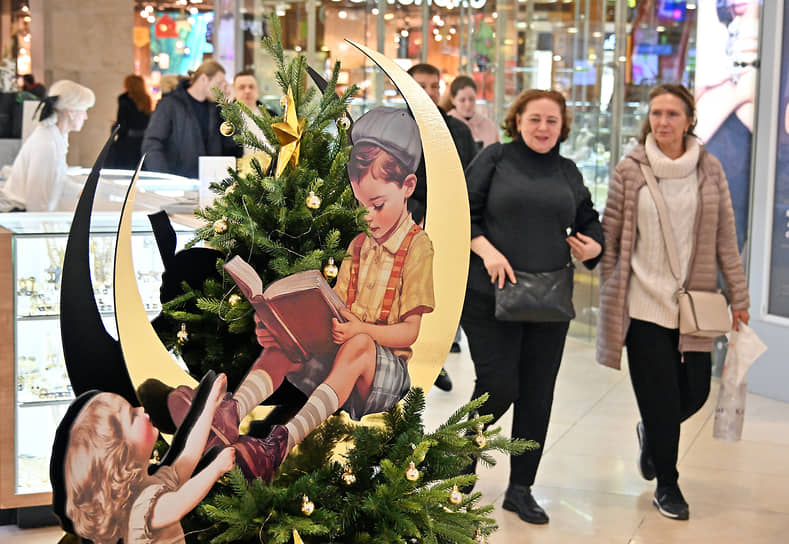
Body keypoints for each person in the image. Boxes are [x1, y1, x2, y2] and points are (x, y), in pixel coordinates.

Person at [166, 107, 435, 483]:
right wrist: (282, 328)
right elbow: (335, 312)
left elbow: (410, 332)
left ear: (407, 186)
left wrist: (364, 330)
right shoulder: (358, 245)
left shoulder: (416, 247)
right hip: (341, 358)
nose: (369, 217)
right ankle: (228, 414)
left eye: (377, 205)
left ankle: (279, 444)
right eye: (362, 206)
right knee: (285, 344)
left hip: (383, 373)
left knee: (358, 343)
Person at [596, 83, 750, 521]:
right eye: (657, 113)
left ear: (689, 120)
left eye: (672, 114)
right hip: (642, 305)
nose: (663, 122)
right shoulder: (630, 169)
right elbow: (612, 241)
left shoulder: (710, 168)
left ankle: (653, 433)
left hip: (695, 305)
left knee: (696, 392)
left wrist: (739, 296)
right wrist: (611, 293)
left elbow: (726, 239)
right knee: (662, 398)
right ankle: (668, 483)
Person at [461, 89, 603, 524]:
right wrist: (486, 250)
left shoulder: (567, 171)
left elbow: (587, 218)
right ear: (517, 119)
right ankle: (460, 459)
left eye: (552, 122)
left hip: (547, 300)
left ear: (563, 128)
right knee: (499, 385)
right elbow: (463, 211)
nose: (543, 128)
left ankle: (520, 489)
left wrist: (594, 244)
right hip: (489, 294)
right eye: (535, 119)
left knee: (538, 396)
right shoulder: (495, 158)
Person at [57, 374, 235, 544]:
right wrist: (216, 468)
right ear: (121, 453)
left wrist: (209, 407)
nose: (141, 409)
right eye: (133, 416)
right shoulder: (139, 509)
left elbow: (189, 455)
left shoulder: (148, 487)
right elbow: (178, 504)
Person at [407, 62, 476, 386]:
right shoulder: (392, 127)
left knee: (438, 299)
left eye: (434, 86)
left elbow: (466, 181)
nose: (429, 92)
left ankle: (436, 361)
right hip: (402, 223)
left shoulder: (457, 130)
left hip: (446, 223)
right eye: (421, 85)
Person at [0, 79, 94, 212]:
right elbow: (36, 202)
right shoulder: (46, 143)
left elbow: (58, 179)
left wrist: (81, 192)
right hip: (20, 214)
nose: (86, 117)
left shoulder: (56, 136)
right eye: (84, 110)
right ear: (71, 112)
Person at [141, 60, 240, 178]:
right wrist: (163, 178)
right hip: (178, 181)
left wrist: (229, 107)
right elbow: (152, 143)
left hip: (209, 182)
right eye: (219, 83)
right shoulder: (170, 104)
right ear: (204, 79)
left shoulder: (216, 108)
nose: (221, 89)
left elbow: (231, 143)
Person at [107, 74, 152, 170]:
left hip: (127, 144)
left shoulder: (124, 99)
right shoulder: (146, 99)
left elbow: (122, 124)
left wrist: (115, 126)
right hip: (143, 143)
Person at [446, 75, 500, 150]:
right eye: (462, 100)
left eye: (471, 99)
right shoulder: (445, 126)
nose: (468, 104)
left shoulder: (489, 125)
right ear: (453, 100)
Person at [232, 69, 273, 156]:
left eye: (251, 87)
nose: (247, 91)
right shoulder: (226, 118)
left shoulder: (271, 115)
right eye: (241, 87)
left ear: (257, 90)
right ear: (234, 91)